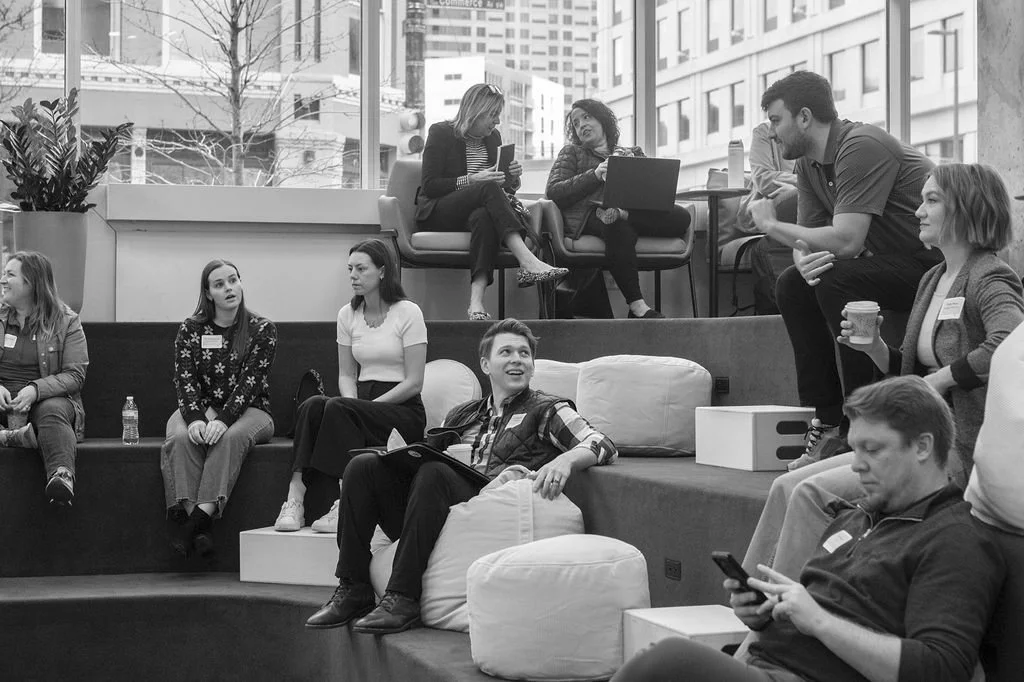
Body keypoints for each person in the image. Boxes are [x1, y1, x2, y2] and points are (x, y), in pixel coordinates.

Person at [613, 375, 1005, 682]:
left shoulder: (953, 539)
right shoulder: (854, 518)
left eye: (872, 450)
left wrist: (818, 620)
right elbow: (816, 619)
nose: (856, 465)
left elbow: (941, 669)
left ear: (922, 447)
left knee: (665, 662)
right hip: (767, 665)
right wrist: (765, 615)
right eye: (854, 449)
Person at [741, 162, 1024, 579]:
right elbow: (911, 369)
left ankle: (777, 610)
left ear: (966, 209)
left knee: (809, 492)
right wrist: (875, 347)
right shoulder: (933, 278)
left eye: (931, 201)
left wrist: (940, 380)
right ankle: (750, 598)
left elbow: (1010, 342)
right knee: (785, 486)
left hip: (955, 448)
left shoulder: (990, 276)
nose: (918, 212)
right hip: (914, 438)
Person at [304, 318, 617, 634]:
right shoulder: (462, 414)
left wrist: (566, 461)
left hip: (488, 510)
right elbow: (428, 459)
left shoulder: (547, 409)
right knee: (363, 467)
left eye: (524, 353)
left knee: (434, 472)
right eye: (506, 352)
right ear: (485, 364)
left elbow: (601, 442)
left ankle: (403, 596)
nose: (517, 360)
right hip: (432, 511)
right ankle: (354, 586)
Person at [748, 71, 941, 468]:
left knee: (837, 278)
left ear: (804, 117)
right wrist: (803, 262)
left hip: (930, 265)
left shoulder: (860, 145)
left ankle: (859, 421)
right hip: (882, 262)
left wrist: (771, 226)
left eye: (776, 120)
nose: (772, 133)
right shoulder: (808, 164)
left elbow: (848, 240)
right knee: (793, 284)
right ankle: (828, 418)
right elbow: (809, 240)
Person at [274, 239, 427, 535]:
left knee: (339, 409)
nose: (353, 276)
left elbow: (414, 381)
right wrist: (353, 403)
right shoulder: (347, 314)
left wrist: (363, 408)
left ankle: (345, 500)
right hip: (359, 400)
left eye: (361, 269)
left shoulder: (408, 312)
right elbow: (346, 374)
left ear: (382, 271)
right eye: (350, 269)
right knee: (313, 405)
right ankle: (295, 497)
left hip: (401, 408)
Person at [417, 83, 568, 320]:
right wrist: (472, 179)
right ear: (475, 111)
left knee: (484, 217)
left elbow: (501, 191)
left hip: (476, 210)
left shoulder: (493, 137)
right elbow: (430, 185)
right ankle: (527, 260)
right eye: (493, 115)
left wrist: (512, 178)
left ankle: (476, 302)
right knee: (486, 187)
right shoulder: (441, 132)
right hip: (440, 210)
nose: (497, 122)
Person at [161, 259, 277, 559]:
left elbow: (250, 383)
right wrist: (196, 418)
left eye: (233, 280)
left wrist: (223, 419)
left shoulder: (262, 329)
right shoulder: (191, 328)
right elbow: (184, 379)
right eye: (219, 284)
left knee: (229, 437)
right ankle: (200, 528)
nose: (229, 288)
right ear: (208, 293)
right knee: (181, 437)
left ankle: (192, 525)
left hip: (252, 410)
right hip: (199, 407)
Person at [546, 99, 692, 319]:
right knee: (617, 226)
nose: (581, 125)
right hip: (591, 215)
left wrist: (635, 170)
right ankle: (637, 307)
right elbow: (554, 191)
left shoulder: (631, 152)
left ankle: (623, 214)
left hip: (633, 213)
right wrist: (595, 174)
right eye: (576, 123)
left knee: (681, 217)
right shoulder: (572, 152)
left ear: (602, 120)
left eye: (587, 117)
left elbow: (652, 192)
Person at [0, 251, 88, 506]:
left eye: (10, 274)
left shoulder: (67, 321)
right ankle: (15, 436)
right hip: (3, 401)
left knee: (52, 409)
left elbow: (75, 375)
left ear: (32, 282)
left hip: (45, 401)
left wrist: (35, 390)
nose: (3, 280)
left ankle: (61, 477)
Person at [736, 120, 800, 314]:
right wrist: (803, 186)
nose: (773, 130)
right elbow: (764, 179)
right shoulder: (764, 133)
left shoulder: (820, 137)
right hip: (772, 209)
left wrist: (799, 189)